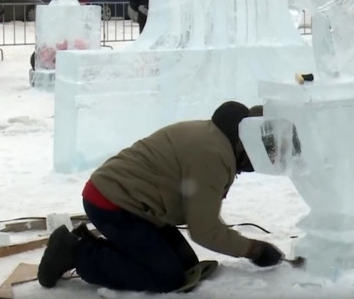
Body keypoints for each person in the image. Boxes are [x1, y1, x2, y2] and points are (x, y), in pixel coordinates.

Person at [37, 101, 285, 293]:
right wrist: (254, 250)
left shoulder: (217, 139)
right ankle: (74, 252)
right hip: (113, 203)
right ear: (250, 144)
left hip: (136, 203)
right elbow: (204, 231)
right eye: (265, 155)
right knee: (166, 277)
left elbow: (202, 215)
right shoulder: (213, 156)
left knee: (187, 265)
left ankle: (100, 248)